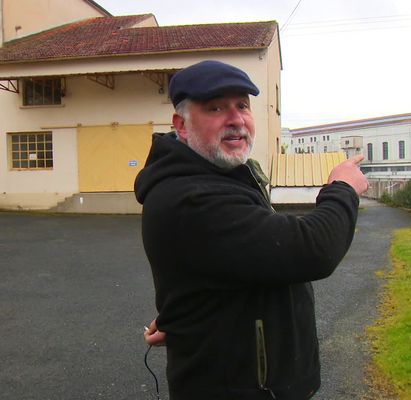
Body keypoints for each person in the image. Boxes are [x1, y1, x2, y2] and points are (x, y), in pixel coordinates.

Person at [134, 60, 368, 400]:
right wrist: (342, 189)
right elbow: (311, 249)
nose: (236, 119)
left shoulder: (222, 175)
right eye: (215, 107)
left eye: (242, 105)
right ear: (181, 125)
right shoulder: (192, 197)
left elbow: (225, 267)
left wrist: (186, 314)